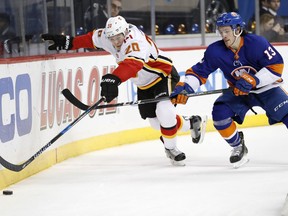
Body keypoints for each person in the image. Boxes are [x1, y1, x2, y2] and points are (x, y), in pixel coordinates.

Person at [41, 15, 207, 166]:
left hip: (163, 75)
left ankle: (171, 149)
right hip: (143, 84)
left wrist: (114, 79)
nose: (115, 42)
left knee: (165, 111)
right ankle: (192, 123)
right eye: (112, 38)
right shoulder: (109, 35)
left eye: (118, 38)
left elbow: (133, 64)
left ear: (125, 32)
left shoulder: (136, 41)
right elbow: (91, 38)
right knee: (157, 124)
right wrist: (68, 43)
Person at [170, 12, 288, 168]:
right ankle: (238, 147)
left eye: (227, 31)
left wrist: (255, 80)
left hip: (267, 89)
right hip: (239, 92)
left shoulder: (257, 43)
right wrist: (186, 87)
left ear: (238, 29)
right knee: (219, 114)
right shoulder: (215, 51)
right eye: (221, 31)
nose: (223, 35)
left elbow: (276, 66)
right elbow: (199, 72)